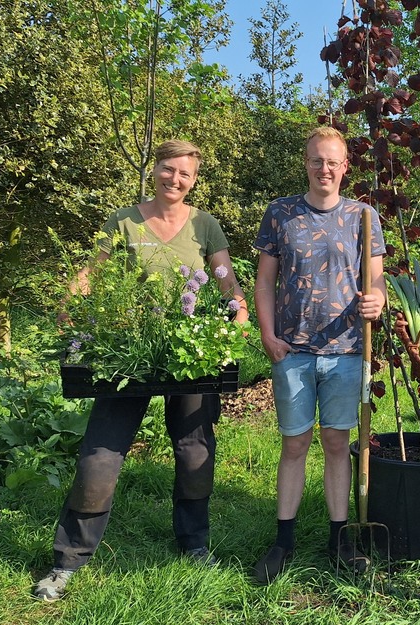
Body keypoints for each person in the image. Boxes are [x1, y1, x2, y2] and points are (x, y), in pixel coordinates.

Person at [33, 139, 250, 602]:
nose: (175, 180)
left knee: (195, 450)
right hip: (129, 350)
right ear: (155, 170)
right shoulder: (124, 220)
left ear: (194, 180)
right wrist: (72, 303)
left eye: (185, 174)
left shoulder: (205, 225)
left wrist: (239, 308)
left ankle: (194, 543)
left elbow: (226, 278)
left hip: (188, 352)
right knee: (100, 456)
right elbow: (92, 272)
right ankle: (67, 560)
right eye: (168, 170)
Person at [252, 126, 386, 584]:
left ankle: (337, 538)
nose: (324, 169)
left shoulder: (363, 217)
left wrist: (378, 301)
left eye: (333, 161)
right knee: (294, 443)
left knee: (335, 444)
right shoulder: (280, 214)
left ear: (345, 166)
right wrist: (268, 334)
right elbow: (265, 281)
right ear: (305, 164)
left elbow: (376, 281)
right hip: (292, 349)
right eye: (316, 160)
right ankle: (283, 540)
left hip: (346, 350)